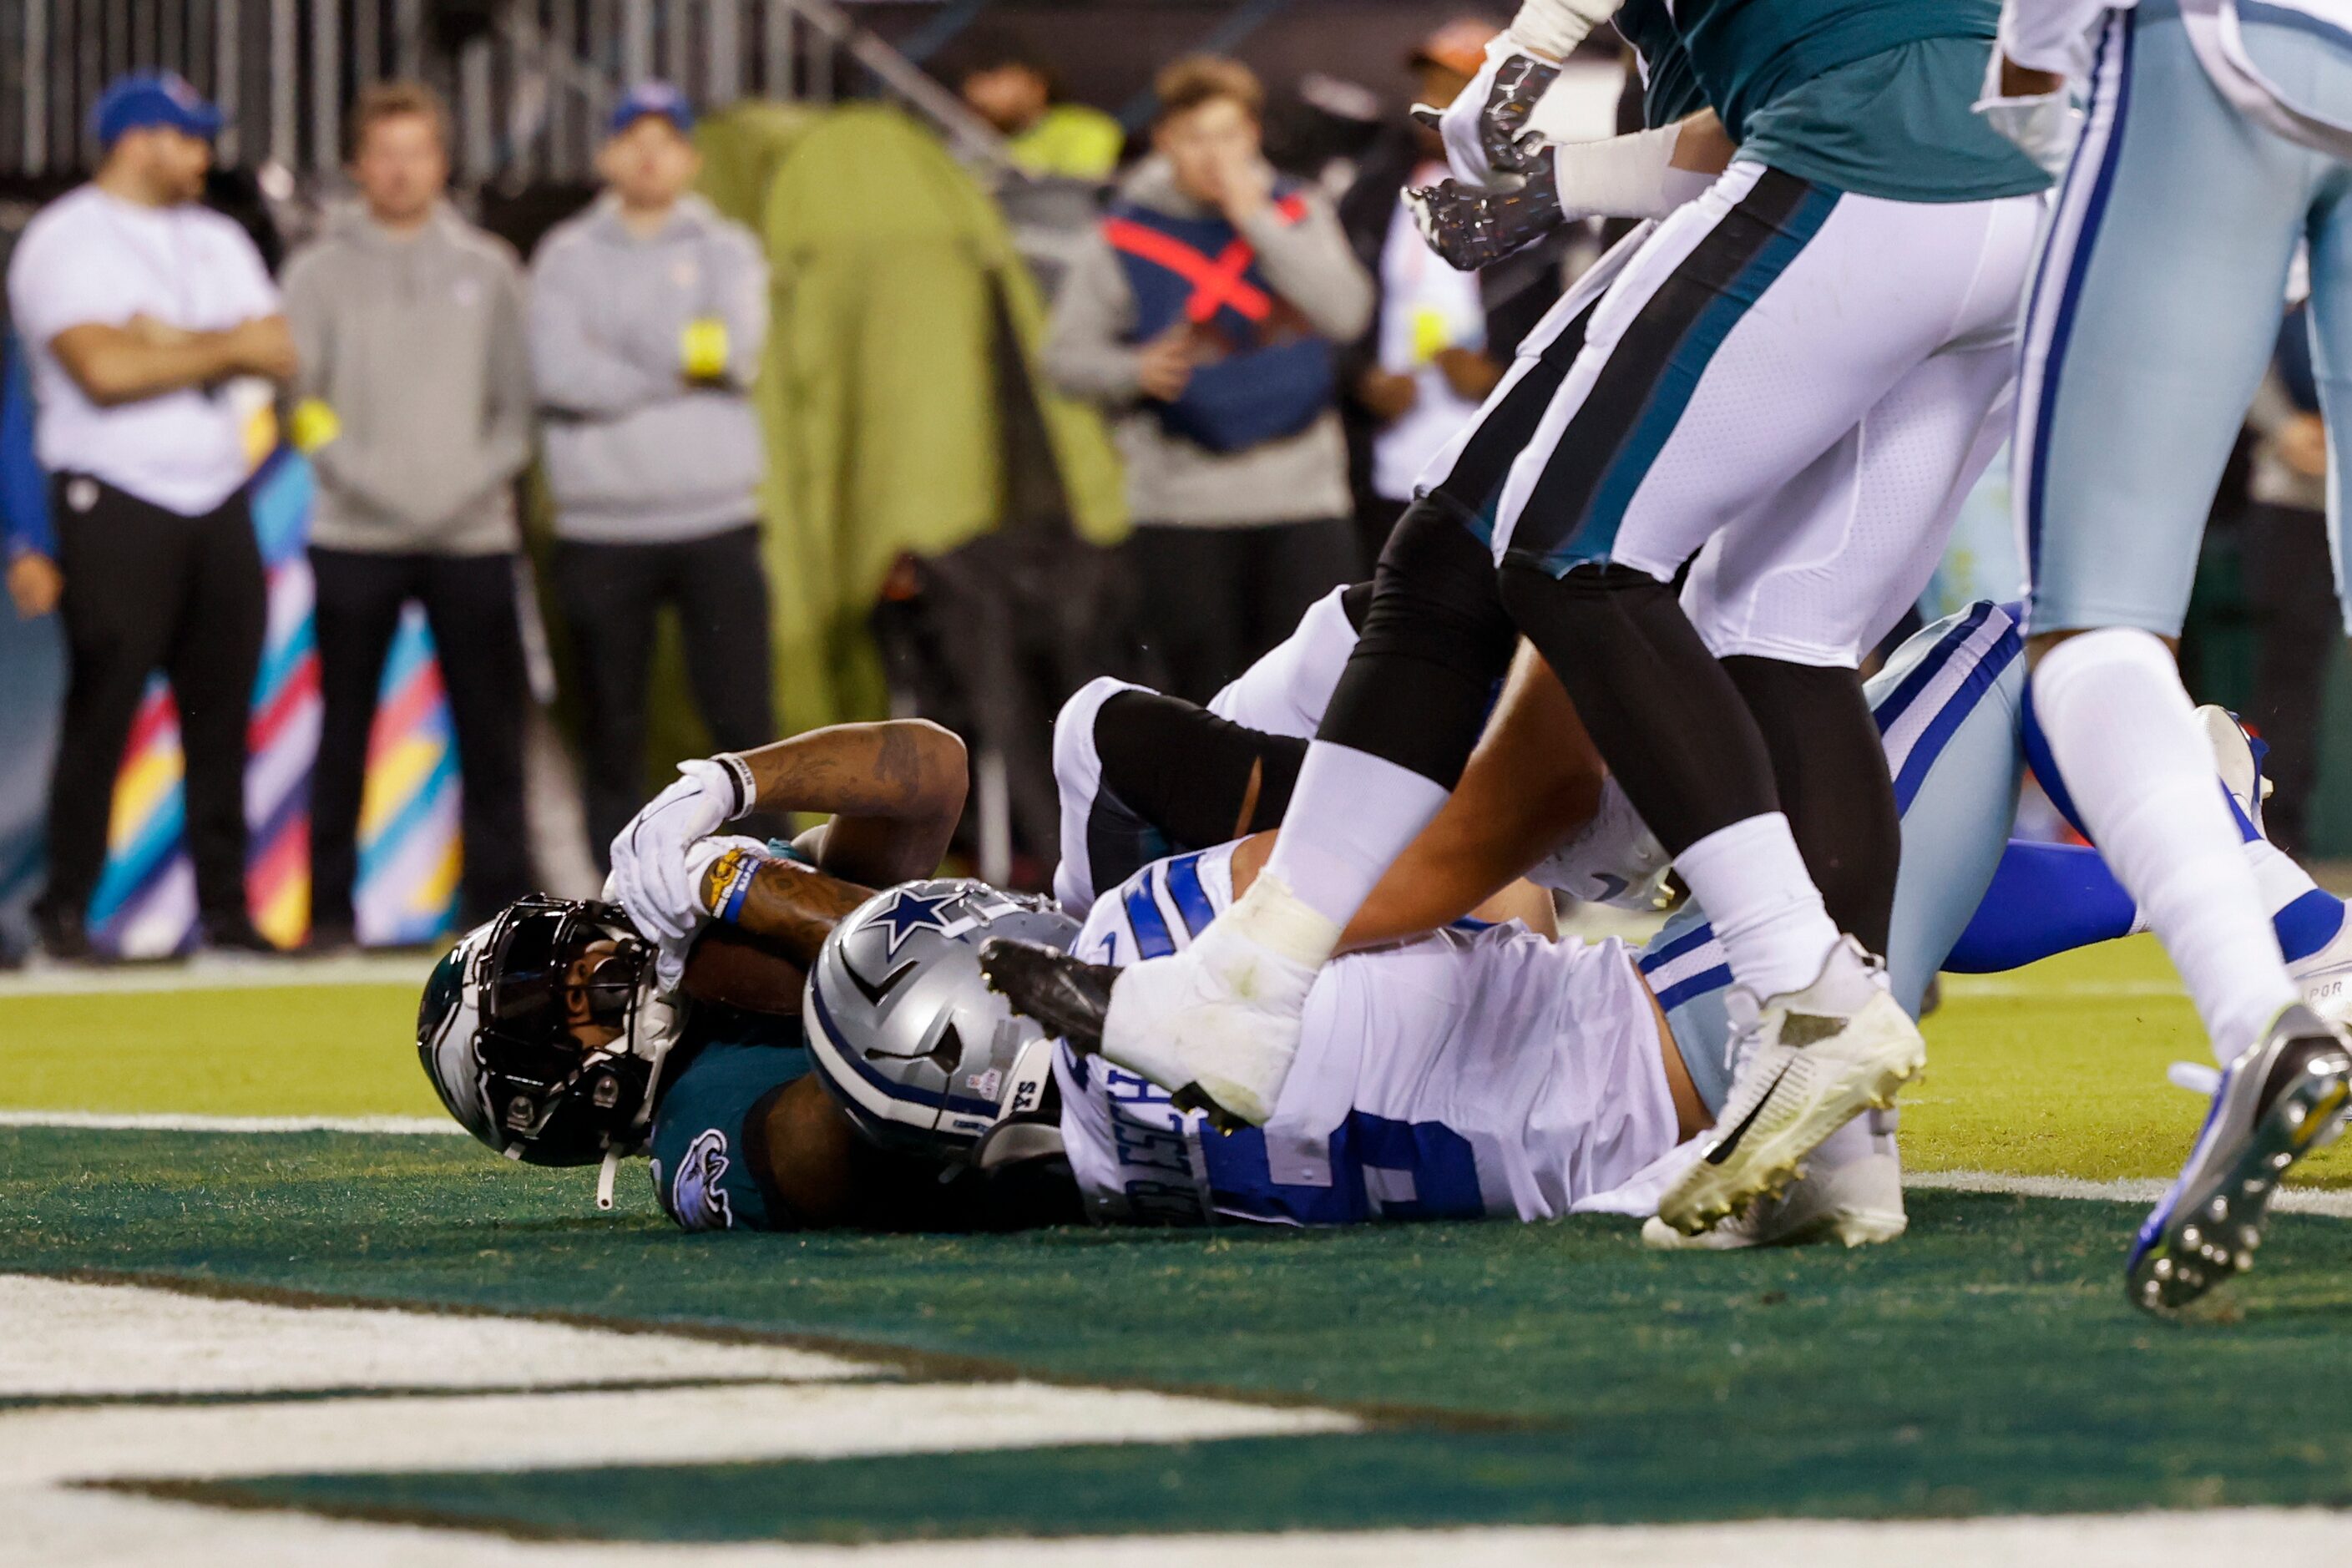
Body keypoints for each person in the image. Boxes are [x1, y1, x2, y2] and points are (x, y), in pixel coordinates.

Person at [423, 591, 2352, 1247]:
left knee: (1754, 798)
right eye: (585, 991)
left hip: (1544, 1076)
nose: (620, 960)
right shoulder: (736, 1134)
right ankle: (2271, 928)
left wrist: (734, 800)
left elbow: (922, 884)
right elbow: (866, 1067)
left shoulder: (1114, 1034)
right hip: (1614, 1067)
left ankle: (2218, 890)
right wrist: (1562, 579)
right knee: (1921, 671)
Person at [1087, 0, 2056, 1241]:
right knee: (1777, 634)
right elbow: (1798, 79)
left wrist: (1531, 46)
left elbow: (1843, 71)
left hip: (1871, 156)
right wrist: (1569, 174)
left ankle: (1802, 991)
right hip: (1994, 178)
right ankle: (1834, 1143)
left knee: (1550, 550)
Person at [1990, 0, 2352, 1311]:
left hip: (2220, 55)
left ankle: (2267, 1015)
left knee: (2089, 617)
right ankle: (2308, 943)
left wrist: (2027, 87)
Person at [5, 71, 296, 960]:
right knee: (105, 711)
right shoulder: (62, 239)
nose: (204, 155)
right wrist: (213, 347)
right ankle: (64, 911)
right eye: (189, 137)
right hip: (114, 497)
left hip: (218, 498)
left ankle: (226, 912)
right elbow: (104, 372)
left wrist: (160, 338)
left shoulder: (216, 237)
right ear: (139, 140)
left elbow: (279, 349)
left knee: (222, 715)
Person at [282, 83, 535, 947]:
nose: (399, 170)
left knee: (491, 734)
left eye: (415, 151)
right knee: (342, 729)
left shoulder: (491, 267)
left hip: (472, 535)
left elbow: (517, 411)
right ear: (358, 165)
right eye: (383, 152)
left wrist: (460, 489)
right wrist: (369, 484)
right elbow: (300, 405)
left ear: (443, 161)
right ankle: (325, 914)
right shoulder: (315, 272)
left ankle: (500, 913)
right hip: (353, 536)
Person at [1044, 55, 1374, 702]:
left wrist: (1257, 219)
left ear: (1251, 134)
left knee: (1313, 695)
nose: (1213, 156)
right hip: (1181, 506)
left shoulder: (1296, 208)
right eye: (1195, 138)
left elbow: (1347, 313)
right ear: (1166, 140)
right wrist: (1132, 370)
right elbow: (1061, 360)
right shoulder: (1122, 232)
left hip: (1304, 497)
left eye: (1227, 136)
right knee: (1202, 699)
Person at [529, 83, 776, 876]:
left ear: (690, 157)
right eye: (631, 136)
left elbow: (732, 352)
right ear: (604, 155)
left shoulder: (729, 248)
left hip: (717, 522)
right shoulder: (565, 256)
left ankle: (777, 882)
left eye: (665, 137)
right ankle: (616, 900)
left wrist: (617, 346)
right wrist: (677, 360)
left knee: (747, 728)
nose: (647, 152)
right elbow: (560, 374)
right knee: (612, 727)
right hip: (601, 529)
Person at [1338, 19, 1559, 563]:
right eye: (1430, 87)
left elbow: (1573, 330)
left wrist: (1500, 374)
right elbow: (1329, 312)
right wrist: (1358, 379)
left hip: (1493, 459)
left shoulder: (1550, 202)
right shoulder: (1368, 194)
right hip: (1385, 458)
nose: (1432, 104)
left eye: (1455, 89)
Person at [2240, 305, 2332, 857]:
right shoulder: (2284, 268)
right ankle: (2274, 838)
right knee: (2288, 674)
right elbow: (2243, 357)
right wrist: (2285, 427)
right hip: (2294, 504)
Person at [954, 35, 1126, 184]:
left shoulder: (1088, 129)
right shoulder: (967, 139)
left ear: (1038, 85)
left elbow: (1068, 200)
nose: (978, 92)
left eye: (994, 80)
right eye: (973, 80)